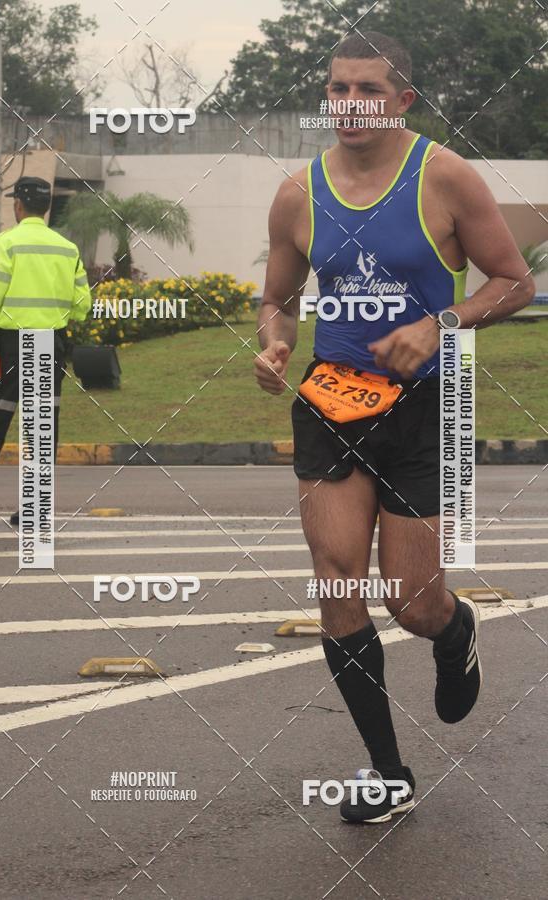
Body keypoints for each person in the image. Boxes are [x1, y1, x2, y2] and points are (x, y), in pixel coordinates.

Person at [254, 31, 534, 824]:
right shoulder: (298, 192)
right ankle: (386, 773)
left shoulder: (444, 177)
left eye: (367, 89)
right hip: (331, 400)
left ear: (402, 99)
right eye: (338, 89)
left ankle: (455, 631)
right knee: (338, 584)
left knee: (411, 602)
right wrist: (273, 342)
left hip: (422, 408)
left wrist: (441, 322)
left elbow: (515, 281)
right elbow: (277, 295)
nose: (349, 103)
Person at [0, 176, 92, 527]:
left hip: (11, 348)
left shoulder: (7, 243)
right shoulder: (66, 248)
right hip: (50, 345)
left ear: (17, 206)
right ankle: (35, 511)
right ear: (46, 208)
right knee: (41, 430)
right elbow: (82, 305)